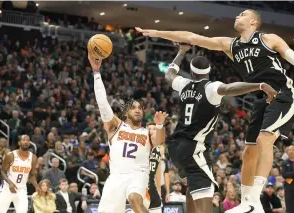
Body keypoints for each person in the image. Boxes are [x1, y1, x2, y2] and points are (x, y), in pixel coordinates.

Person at [136, 9, 294, 212]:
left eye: (243, 14)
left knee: (265, 139)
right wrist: (158, 32)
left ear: (254, 21)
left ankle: (254, 199)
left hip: (283, 94)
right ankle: (248, 202)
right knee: (248, 152)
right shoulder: (231, 45)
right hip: (261, 98)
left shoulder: (268, 39)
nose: (238, 16)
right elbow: (193, 37)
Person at [162, 44, 277, 213]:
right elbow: (230, 88)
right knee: (206, 190)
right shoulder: (211, 87)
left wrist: (181, 52)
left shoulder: (184, 83)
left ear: (192, 73)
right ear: (208, 72)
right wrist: (258, 85)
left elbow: (169, 74)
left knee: (193, 186)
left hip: (175, 147)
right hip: (193, 147)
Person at [88, 55, 167, 213]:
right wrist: (96, 72)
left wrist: (159, 125)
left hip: (139, 173)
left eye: (140, 108)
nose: (138, 110)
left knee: (134, 199)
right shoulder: (115, 127)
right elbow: (103, 103)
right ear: (126, 112)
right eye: (134, 107)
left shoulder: (147, 132)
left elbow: (159, 142)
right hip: (116, 176)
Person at [0, 135, 38, 213]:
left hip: (21, 189)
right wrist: (10, 183)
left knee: (23, 211)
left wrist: (36, 186)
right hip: (6, 188)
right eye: (23, 140)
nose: (26, 142)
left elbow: (32, 175)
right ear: (19, 143)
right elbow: (2, 171)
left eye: (28, 140)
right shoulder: (11, 155)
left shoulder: (33, 158)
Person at [144, 123, 163, 213]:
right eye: (149, 129)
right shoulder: (141, 147)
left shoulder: (160, 148)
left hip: (152, 187)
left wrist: (159, 190)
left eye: (154, 129)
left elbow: (158, 172)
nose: (151, 130)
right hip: (141, 187)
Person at [281, 145, 294, 213]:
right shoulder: (284, 162)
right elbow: (284, 175)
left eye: (293, 150)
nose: (291, 151)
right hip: (289, 188)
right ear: (287, 152)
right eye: (289, 150)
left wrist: (290, 175)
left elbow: (288, 174)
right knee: (289, 208)